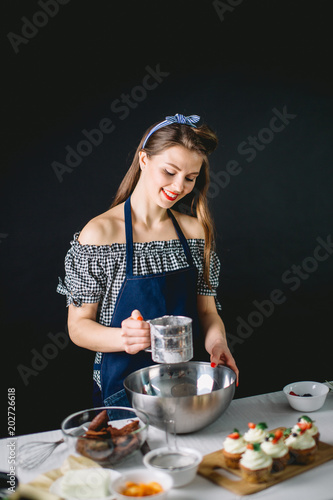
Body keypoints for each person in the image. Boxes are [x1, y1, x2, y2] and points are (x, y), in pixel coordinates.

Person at [57, 113, 239, 408]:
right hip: (122, 391)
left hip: (184, 387)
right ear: (144, 160)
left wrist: (218, 344)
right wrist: (124, 338)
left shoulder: (194, 232)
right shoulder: (99, 234)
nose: (179, 186)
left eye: (190, 178)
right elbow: (78, 327)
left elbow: (207, 313)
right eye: (170, 171)